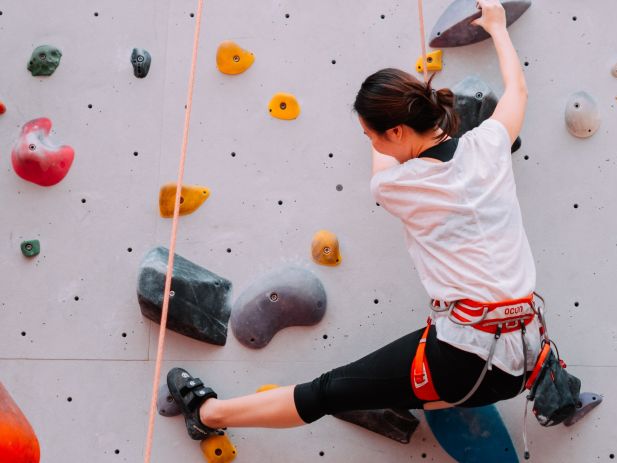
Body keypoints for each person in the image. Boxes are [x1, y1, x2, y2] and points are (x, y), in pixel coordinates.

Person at [166, 0, 542, 440]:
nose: (371, 143)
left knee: (326, 392)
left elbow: (385, 165)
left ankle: (207, 415)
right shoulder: (490, 146)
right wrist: (497, 27)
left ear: (396, 132)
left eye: (370, 134)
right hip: (524, 353)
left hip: (465, 362)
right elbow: (517, 91)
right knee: (395, 382)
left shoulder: (398, 186)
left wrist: (387, 121)